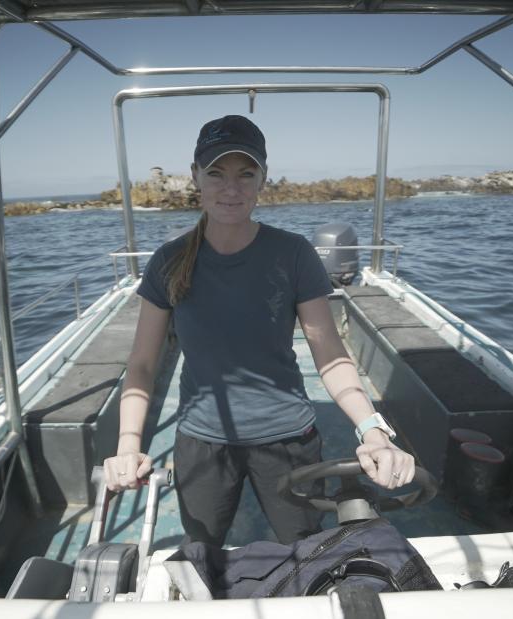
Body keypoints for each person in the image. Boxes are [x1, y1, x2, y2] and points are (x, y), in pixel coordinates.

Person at [103, 114, 415, 546]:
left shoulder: (294, 254)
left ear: (263, 179)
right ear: (195, 176)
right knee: (202, 551)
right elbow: (140, 365)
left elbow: (330, 355)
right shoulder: (169, 261)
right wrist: (127, 445)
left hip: (289, 439)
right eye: (216, 173)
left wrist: (373, 432)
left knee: (305, 548)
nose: (231, 188)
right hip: (202, 442)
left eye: (245, 174)